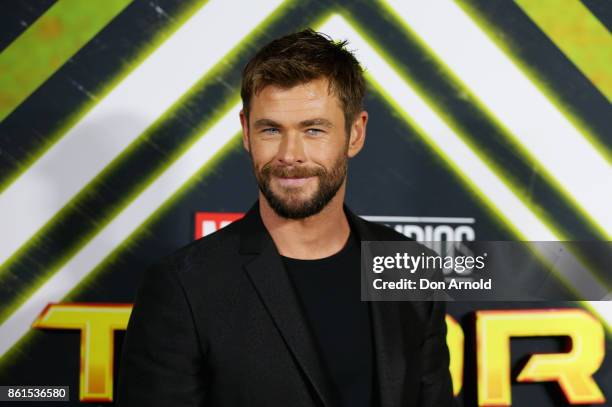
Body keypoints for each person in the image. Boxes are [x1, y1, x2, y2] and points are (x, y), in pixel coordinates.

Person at [117, 28, 454, 407]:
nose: (289, 154)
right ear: (246, 132)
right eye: (271, 129)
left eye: (313, 130)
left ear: (355, 134)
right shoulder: (183, 289)